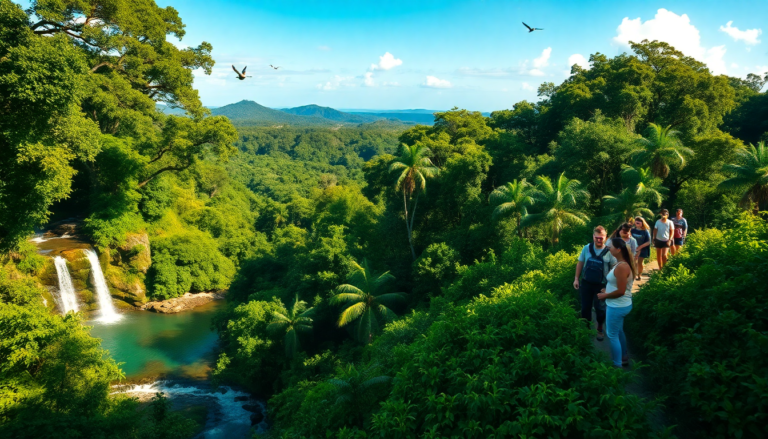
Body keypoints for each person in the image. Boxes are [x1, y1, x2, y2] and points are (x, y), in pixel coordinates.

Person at [574, 226, 617, 341]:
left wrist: (611, 285)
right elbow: (580, 263)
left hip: (601, 285)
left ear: (605, 237)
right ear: (593, 237)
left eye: (601, 238)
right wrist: (576, 279)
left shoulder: (609, 251)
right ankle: (586, 329)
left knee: (600, 309)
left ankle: (599, 328)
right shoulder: (586, 248)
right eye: (597, 238)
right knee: (585, 308)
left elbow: (614, 267)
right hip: (586, 283)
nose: (599, 240)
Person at [597, 237, 636, 368]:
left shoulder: (622, 266)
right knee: (619, 331)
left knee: (612, 335)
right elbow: (618, 285)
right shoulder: (621, 263)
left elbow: (621, 291)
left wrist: (605, 295)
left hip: (617, 306)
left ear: (618, 249)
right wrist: (607, 289)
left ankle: (617, 366)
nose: (608, 248)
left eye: (611, 247)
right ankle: (623, 357)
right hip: (621, 304)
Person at [631, 217, 652, 281]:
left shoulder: (645, 231)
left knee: (639, 262)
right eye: (636, 220)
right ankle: (633, 275)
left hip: (643, 249)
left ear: (642, 222)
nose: (638, 221)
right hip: (633, 249)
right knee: (633, 262)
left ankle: (639, 275)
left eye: (639, 221)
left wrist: (640, 247)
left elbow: (648, 242)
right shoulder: (632, 230)